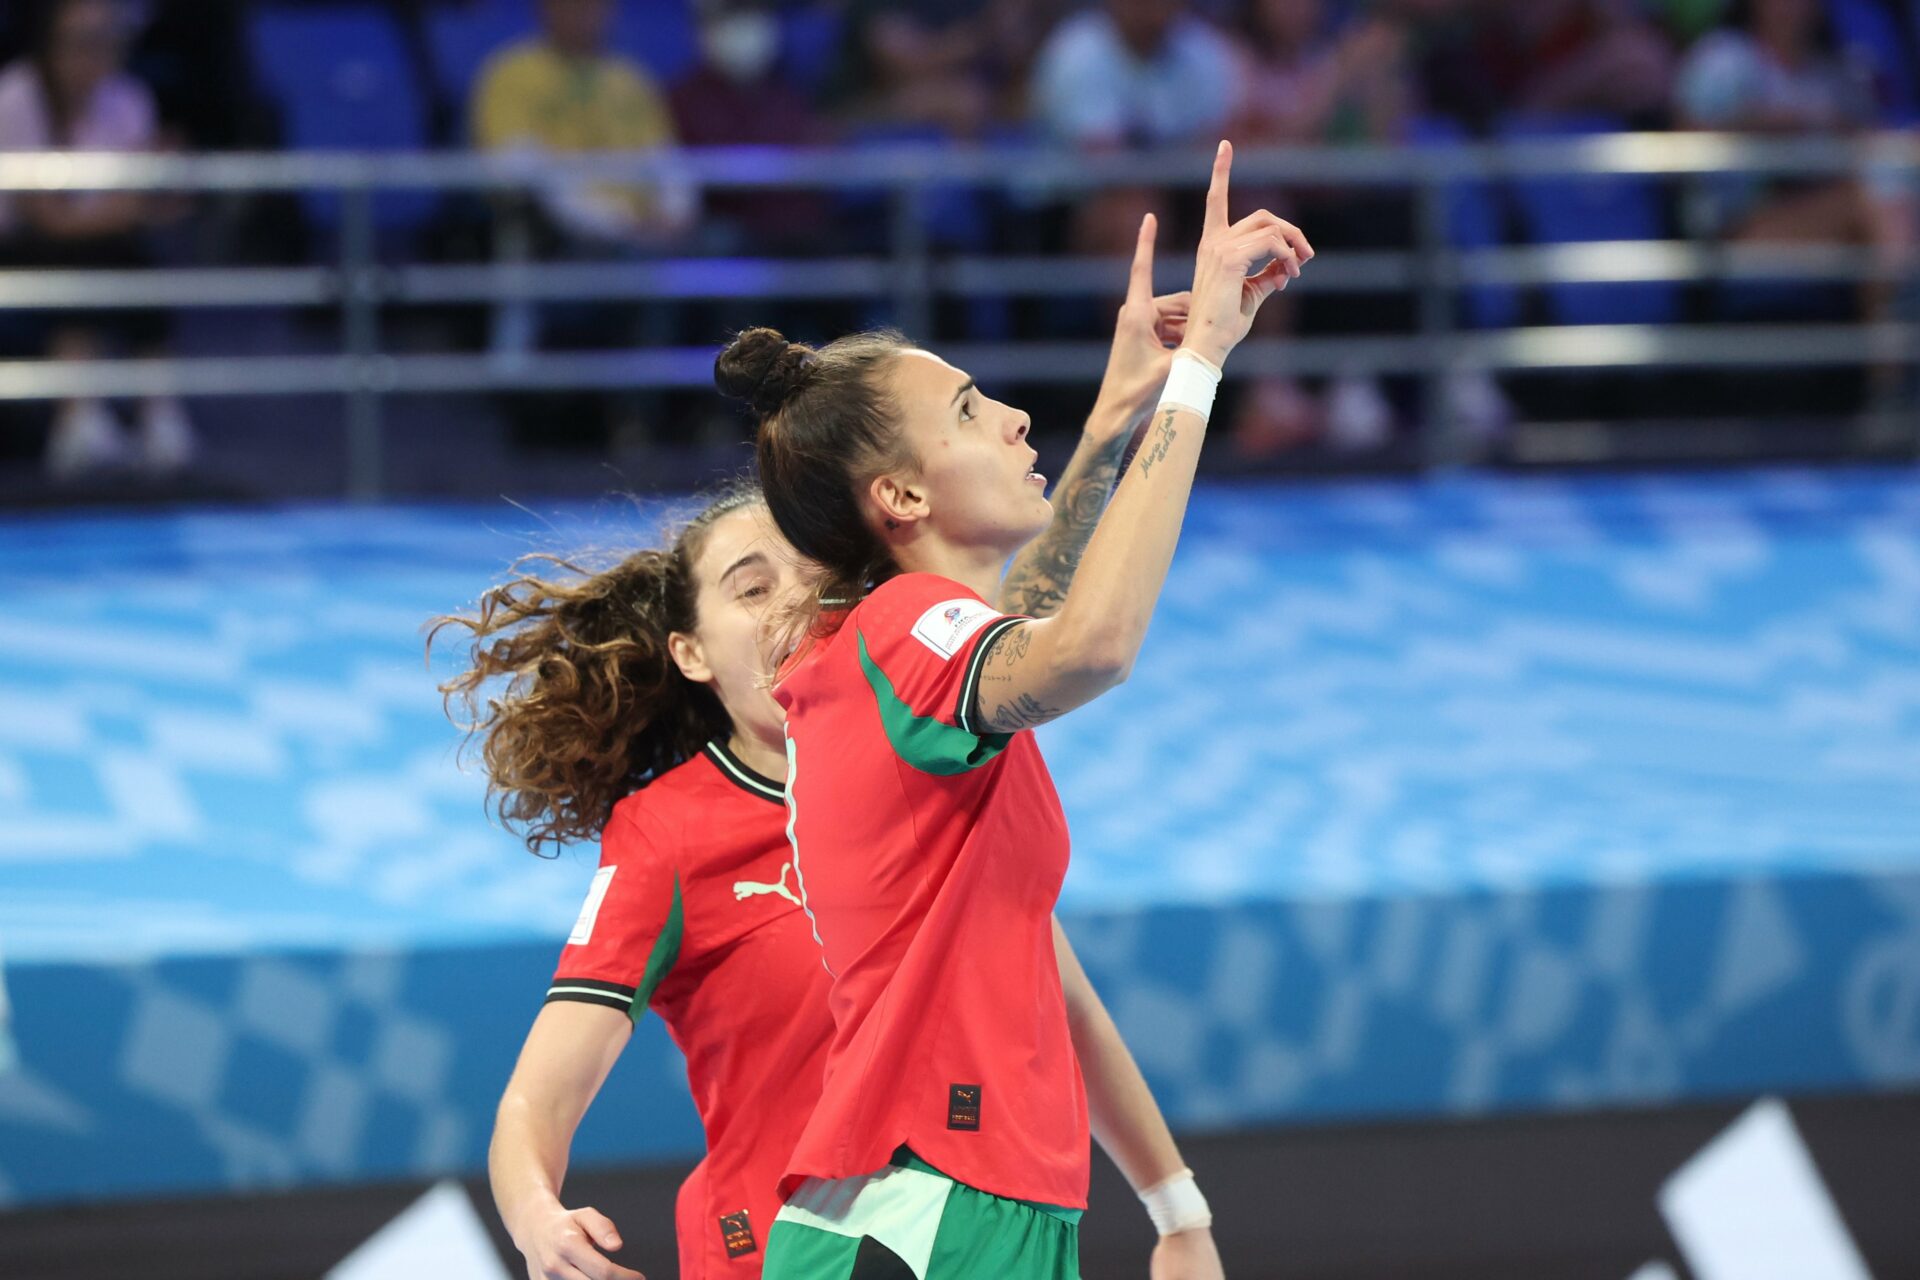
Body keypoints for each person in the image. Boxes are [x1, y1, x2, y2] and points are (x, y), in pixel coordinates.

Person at [443, 242, 1224, 1278]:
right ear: (688, 651)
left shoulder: (901, 702)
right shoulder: (686, 817)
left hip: (899, 1206)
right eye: (747, 587)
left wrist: (1177, 1207)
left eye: (798, 580)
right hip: (870, 1213)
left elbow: (1010, 624)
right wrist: (1195, 373)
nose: (786, 609)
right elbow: (1059, 636)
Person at [725, 143, 1308, 1277]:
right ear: (898, 496)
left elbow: (1047, 967)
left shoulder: (908, 672)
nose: (1012, 416)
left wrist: (1175, 1200)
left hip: (972, 1193)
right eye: (969, 408)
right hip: (929, 1203)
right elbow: (1087, 645)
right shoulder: (897, 637)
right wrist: (1204, 377)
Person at [0, 0, 194, 478]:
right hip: (19, 248)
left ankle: (158, 415)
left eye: (104, 40)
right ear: (51, 42)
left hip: (105, 246)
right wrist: (126, 206)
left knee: (135, 263)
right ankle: (79, 415)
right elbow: (44, 216)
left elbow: (154, 202)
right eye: (80, 40)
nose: (93, 52)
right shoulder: (15, 96)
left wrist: (134, 203)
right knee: (75, 254)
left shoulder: (129, 98)